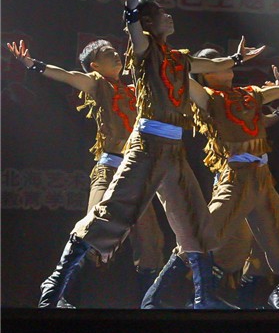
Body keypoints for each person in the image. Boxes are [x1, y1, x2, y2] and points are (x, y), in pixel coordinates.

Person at [38, 0, 263, 310]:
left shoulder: (179, 58)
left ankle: (203, 296)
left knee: (193, 217)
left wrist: (239, 58)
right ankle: (56, 283)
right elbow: (135, 36)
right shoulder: (144, 52)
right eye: (161, 14)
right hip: (147, 146)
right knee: (114, 211)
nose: (169, 17)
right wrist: (130, 13)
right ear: (148, 23)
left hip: (174, 150)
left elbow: (215, 64)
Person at [141, 51, 279, 310]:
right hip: (236, 177)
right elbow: (182, 76)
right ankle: (155, 297)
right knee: (202, 236)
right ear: (206, 74)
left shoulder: (250, 93)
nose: (226, 68)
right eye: (216, 66)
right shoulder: (208, 97)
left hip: (263, 180)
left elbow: (278, 94)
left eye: (226, 65)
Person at [7, 38, 165, 306]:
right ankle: (58, 293)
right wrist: (33, 65)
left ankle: (149, 305)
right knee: (91, 230)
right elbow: (68, 76)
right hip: (110, 168)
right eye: (107, 53)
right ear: (95, 65)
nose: (116, 55)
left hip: (135, 175)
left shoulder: (134, 90)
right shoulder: (97, 83)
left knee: (151, 241)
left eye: (115, 51)